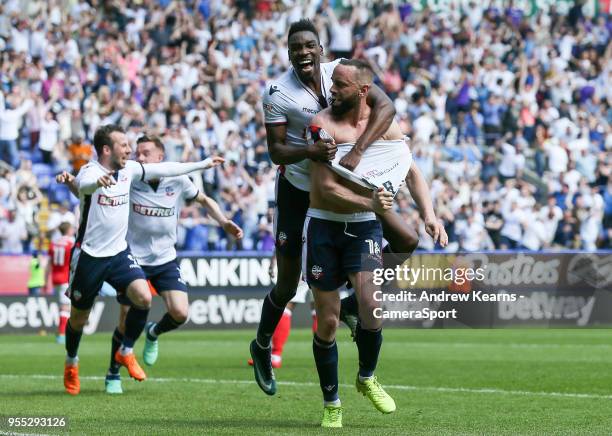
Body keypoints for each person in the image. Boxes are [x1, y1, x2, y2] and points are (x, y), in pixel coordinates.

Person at [250, 18, 419, 397]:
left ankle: (353, 299)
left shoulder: (341, 73)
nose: (304, 52)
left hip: (348, 180)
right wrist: (310, 151)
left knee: (406, 238)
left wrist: (359, 152)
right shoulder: (277, 92)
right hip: (299, 187)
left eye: (310, 45)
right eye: (296, 48)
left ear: (321, 48)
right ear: (289, 53)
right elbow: (276, 150)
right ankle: (261, 345)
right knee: (288, 281)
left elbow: (386, 107)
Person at [59, 134, 243, 394]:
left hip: (156, 257)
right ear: (107, 149)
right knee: (84, 318)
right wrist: (79, 183)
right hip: (109, 254)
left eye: (144, 153)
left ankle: (140, 343)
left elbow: (184, 180)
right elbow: (85, 186)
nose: (137, 155)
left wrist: (221, 214)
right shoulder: (119, 175)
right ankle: (90, 367)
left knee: (170, 309)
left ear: (159, 156)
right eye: (132, 150)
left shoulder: (144, 173)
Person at [303, 59, 407, 427]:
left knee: (372, 305)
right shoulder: (320, 125)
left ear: (363, 91)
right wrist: (371, 203)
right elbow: (325, 188)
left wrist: (428, 212)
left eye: (341, 86)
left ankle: (367, 377)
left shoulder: (385, 127)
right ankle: (332, 402)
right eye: (332, 84)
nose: (332, 91)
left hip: (363, 229)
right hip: (324, 228)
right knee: (328, 323)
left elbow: (410, 164)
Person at [46, 221, 75, 344]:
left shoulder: (54, 243)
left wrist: (45, 279)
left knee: (64, 306)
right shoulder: (71, 242)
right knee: (65, 307)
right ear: (68, 230)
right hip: (66, 278)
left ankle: (64, 332)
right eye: (72, 228)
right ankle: (62, 334)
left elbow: (49, 263)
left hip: (55, 278)